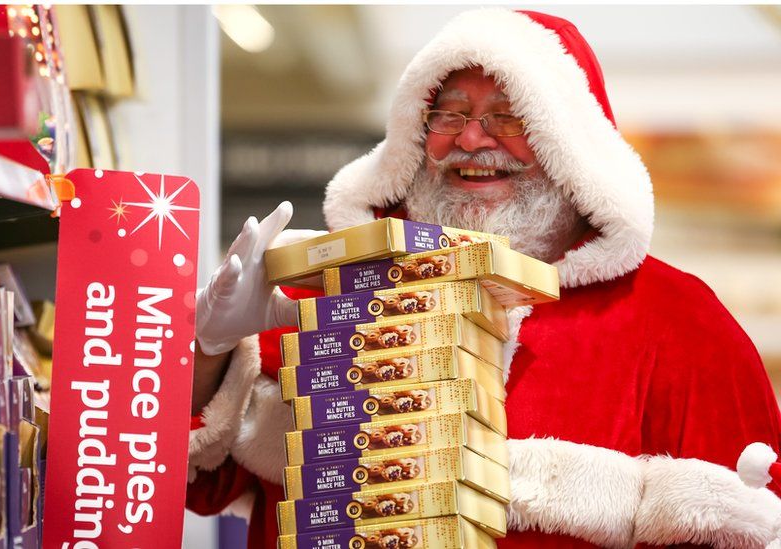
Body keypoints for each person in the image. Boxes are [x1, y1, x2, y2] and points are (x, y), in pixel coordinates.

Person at [186, 8, 781, 548]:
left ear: (568, 142)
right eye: (450, 114)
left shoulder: (677, 320)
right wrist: (209, 351)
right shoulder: (335, 292)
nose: (472, 140)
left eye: (509, 116)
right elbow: (199, 481)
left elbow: (742, 529)